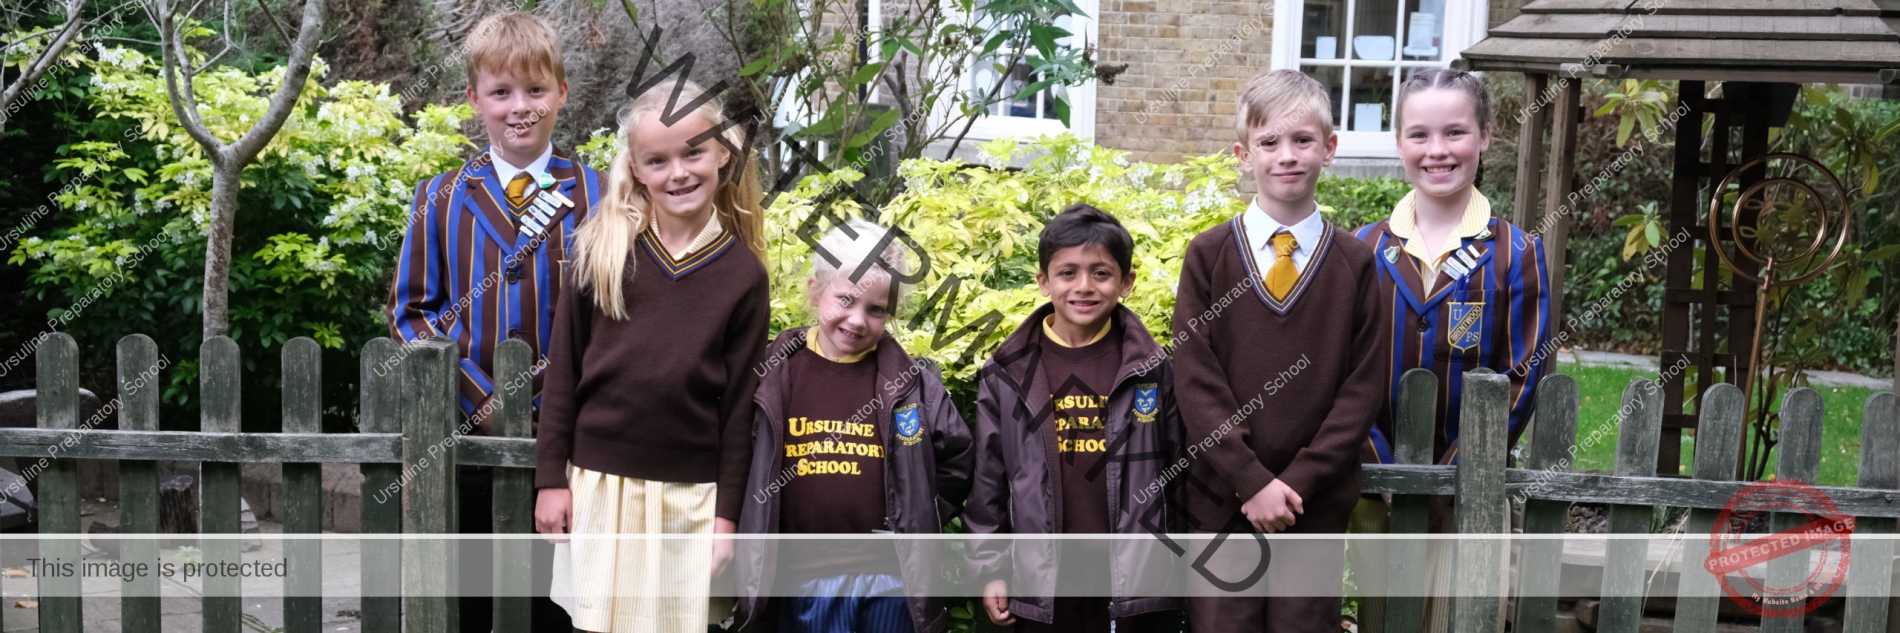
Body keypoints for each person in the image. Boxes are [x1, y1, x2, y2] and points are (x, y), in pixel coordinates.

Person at [384, 11, 598, 631]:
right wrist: (485, 401)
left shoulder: (602, 195)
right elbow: (411, 314)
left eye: (536, 89)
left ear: (562, 92)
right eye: (501, 92)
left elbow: (619, 318)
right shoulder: (439, 197)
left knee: (564, 605)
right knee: (475, 602)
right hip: (464, 442)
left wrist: (559, 404)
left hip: (575, 445)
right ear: (474, 99)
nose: (519, 107)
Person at [533, 77, 770, 632]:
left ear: (723, 154)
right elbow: (563, 372)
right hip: (599, 486)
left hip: (691, 500)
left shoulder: (743, 276)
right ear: (636, 169)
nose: (678, 172)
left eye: (693, 153)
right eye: (657, 161)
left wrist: (726, 519)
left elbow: (739, 410)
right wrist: (550, 479)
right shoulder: (601, 250)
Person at [1169, 68, 1389, 633]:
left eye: (1303, 140)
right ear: (1244, 156)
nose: (1286, 155)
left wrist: (1297, 483)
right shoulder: (1209, 256)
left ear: (1329, 149)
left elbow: (1363, 387)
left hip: (1312, 507)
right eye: (1268, 142)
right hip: (1222, 502)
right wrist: (1250, 478)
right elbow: (1194, 378)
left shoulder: (1355, 263)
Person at [732, 217, 974, 633]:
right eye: (846, 299)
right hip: (797, 580)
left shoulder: (912, 384)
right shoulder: (771, 373)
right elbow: (737, 456)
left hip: (890, 582)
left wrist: (917, 512)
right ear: (815, 291)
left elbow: (959, 457)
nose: (858, 320)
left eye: (877, 309)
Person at [966, 203, 1184, 633]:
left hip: (1133, 582)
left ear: (1126, 282)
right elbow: (989, 480)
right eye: (1068, 273)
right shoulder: (1007, 372)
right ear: (1044, 282)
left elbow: (1179, 472)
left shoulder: (1151, 369)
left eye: (1101, 273)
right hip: (1042, 583)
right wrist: (990, 568)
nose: (1084, 286)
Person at [1353, 67, 1552, 469]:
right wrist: (1377, 465)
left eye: (1455, 132)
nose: (1437, 150)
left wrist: (1454, 477)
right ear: (1399, 143)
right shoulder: (1362, 247)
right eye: (1419, 135)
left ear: (1485, 135)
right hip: (1368, 482)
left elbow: (1520, 378)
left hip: (1473, 487)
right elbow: (1340, 370)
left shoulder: (1517, 253)